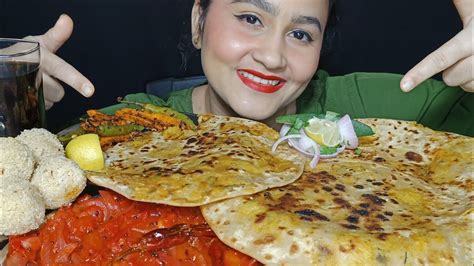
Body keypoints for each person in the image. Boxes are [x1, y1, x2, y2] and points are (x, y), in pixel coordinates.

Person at [26, 0, 474, 135]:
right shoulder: (137, 127)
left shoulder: (383, 105)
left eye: (301, 34)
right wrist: (11, 109)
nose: (273, 56)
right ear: (198, 22)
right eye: (251, 19)